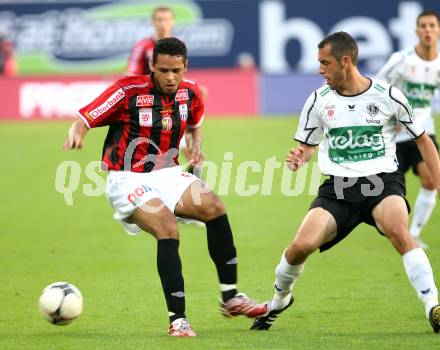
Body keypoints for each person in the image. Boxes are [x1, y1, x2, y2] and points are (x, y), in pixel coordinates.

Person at [64, 37, 268, 337]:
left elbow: (195, 125)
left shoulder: (191, 92)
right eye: (163, 70)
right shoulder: (127, 91)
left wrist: (195, 148)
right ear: (152, 67)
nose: (170, 77)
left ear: (185, 66)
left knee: (214, 207)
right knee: (167, 226)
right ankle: (178, 320)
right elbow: (84, 117)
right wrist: (76, 133)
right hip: (127, 178)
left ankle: (231, 298)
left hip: (168, 173)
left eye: (176, 70)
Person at [250, 32, 440, 333]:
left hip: (382, 182)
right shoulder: (318, 101)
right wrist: (301, 155)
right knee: (300, 247)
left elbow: (422, 140)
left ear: (346, 61)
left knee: (398, 230)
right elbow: (308, 145)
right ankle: (279, 299)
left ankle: (433, 305)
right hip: (339, 188)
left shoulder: (387, 95)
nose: (320, 70)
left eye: (325, 63)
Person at [375, 10, 440, 249]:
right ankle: (392, 226)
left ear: (438, 30)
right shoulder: (401, 60)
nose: (427, 30)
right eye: (423, 26)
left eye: (432, 26)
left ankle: (414, 233)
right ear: (416, 31)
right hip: (396, 134)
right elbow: (377, 87)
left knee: (431, 180)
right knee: (389, 187)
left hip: (424, 132)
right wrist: (390, 116)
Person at [126, 5, 203, 179]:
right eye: (159, 20)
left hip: (173, 105)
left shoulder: (177, 46)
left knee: (188, 148)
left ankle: (194, 186)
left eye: (166, 19)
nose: (163, 24)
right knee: (175, 148)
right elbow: (129, 78)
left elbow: (179, 77)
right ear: (153, 22)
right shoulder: (143, 46)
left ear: (173, 22)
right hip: (149, 107)